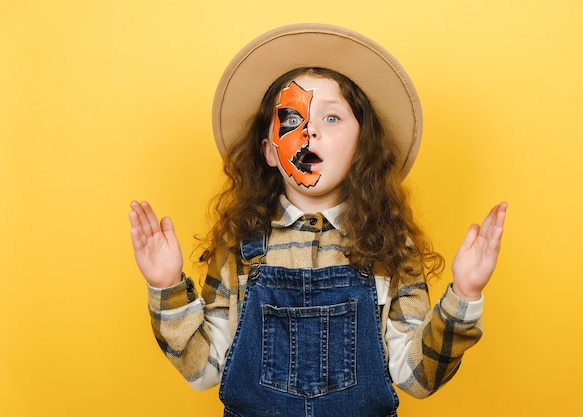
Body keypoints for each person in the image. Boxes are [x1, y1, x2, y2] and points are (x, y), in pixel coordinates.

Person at [129, 24, 507, 417]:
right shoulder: (240, 242)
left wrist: (464, 295)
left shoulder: (389, 246)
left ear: (363, 144)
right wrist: (166, 286)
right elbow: (204, 369)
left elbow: (416, 377)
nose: (309, 131)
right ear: (270, 151)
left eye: (331, 119)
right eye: (292, 120)